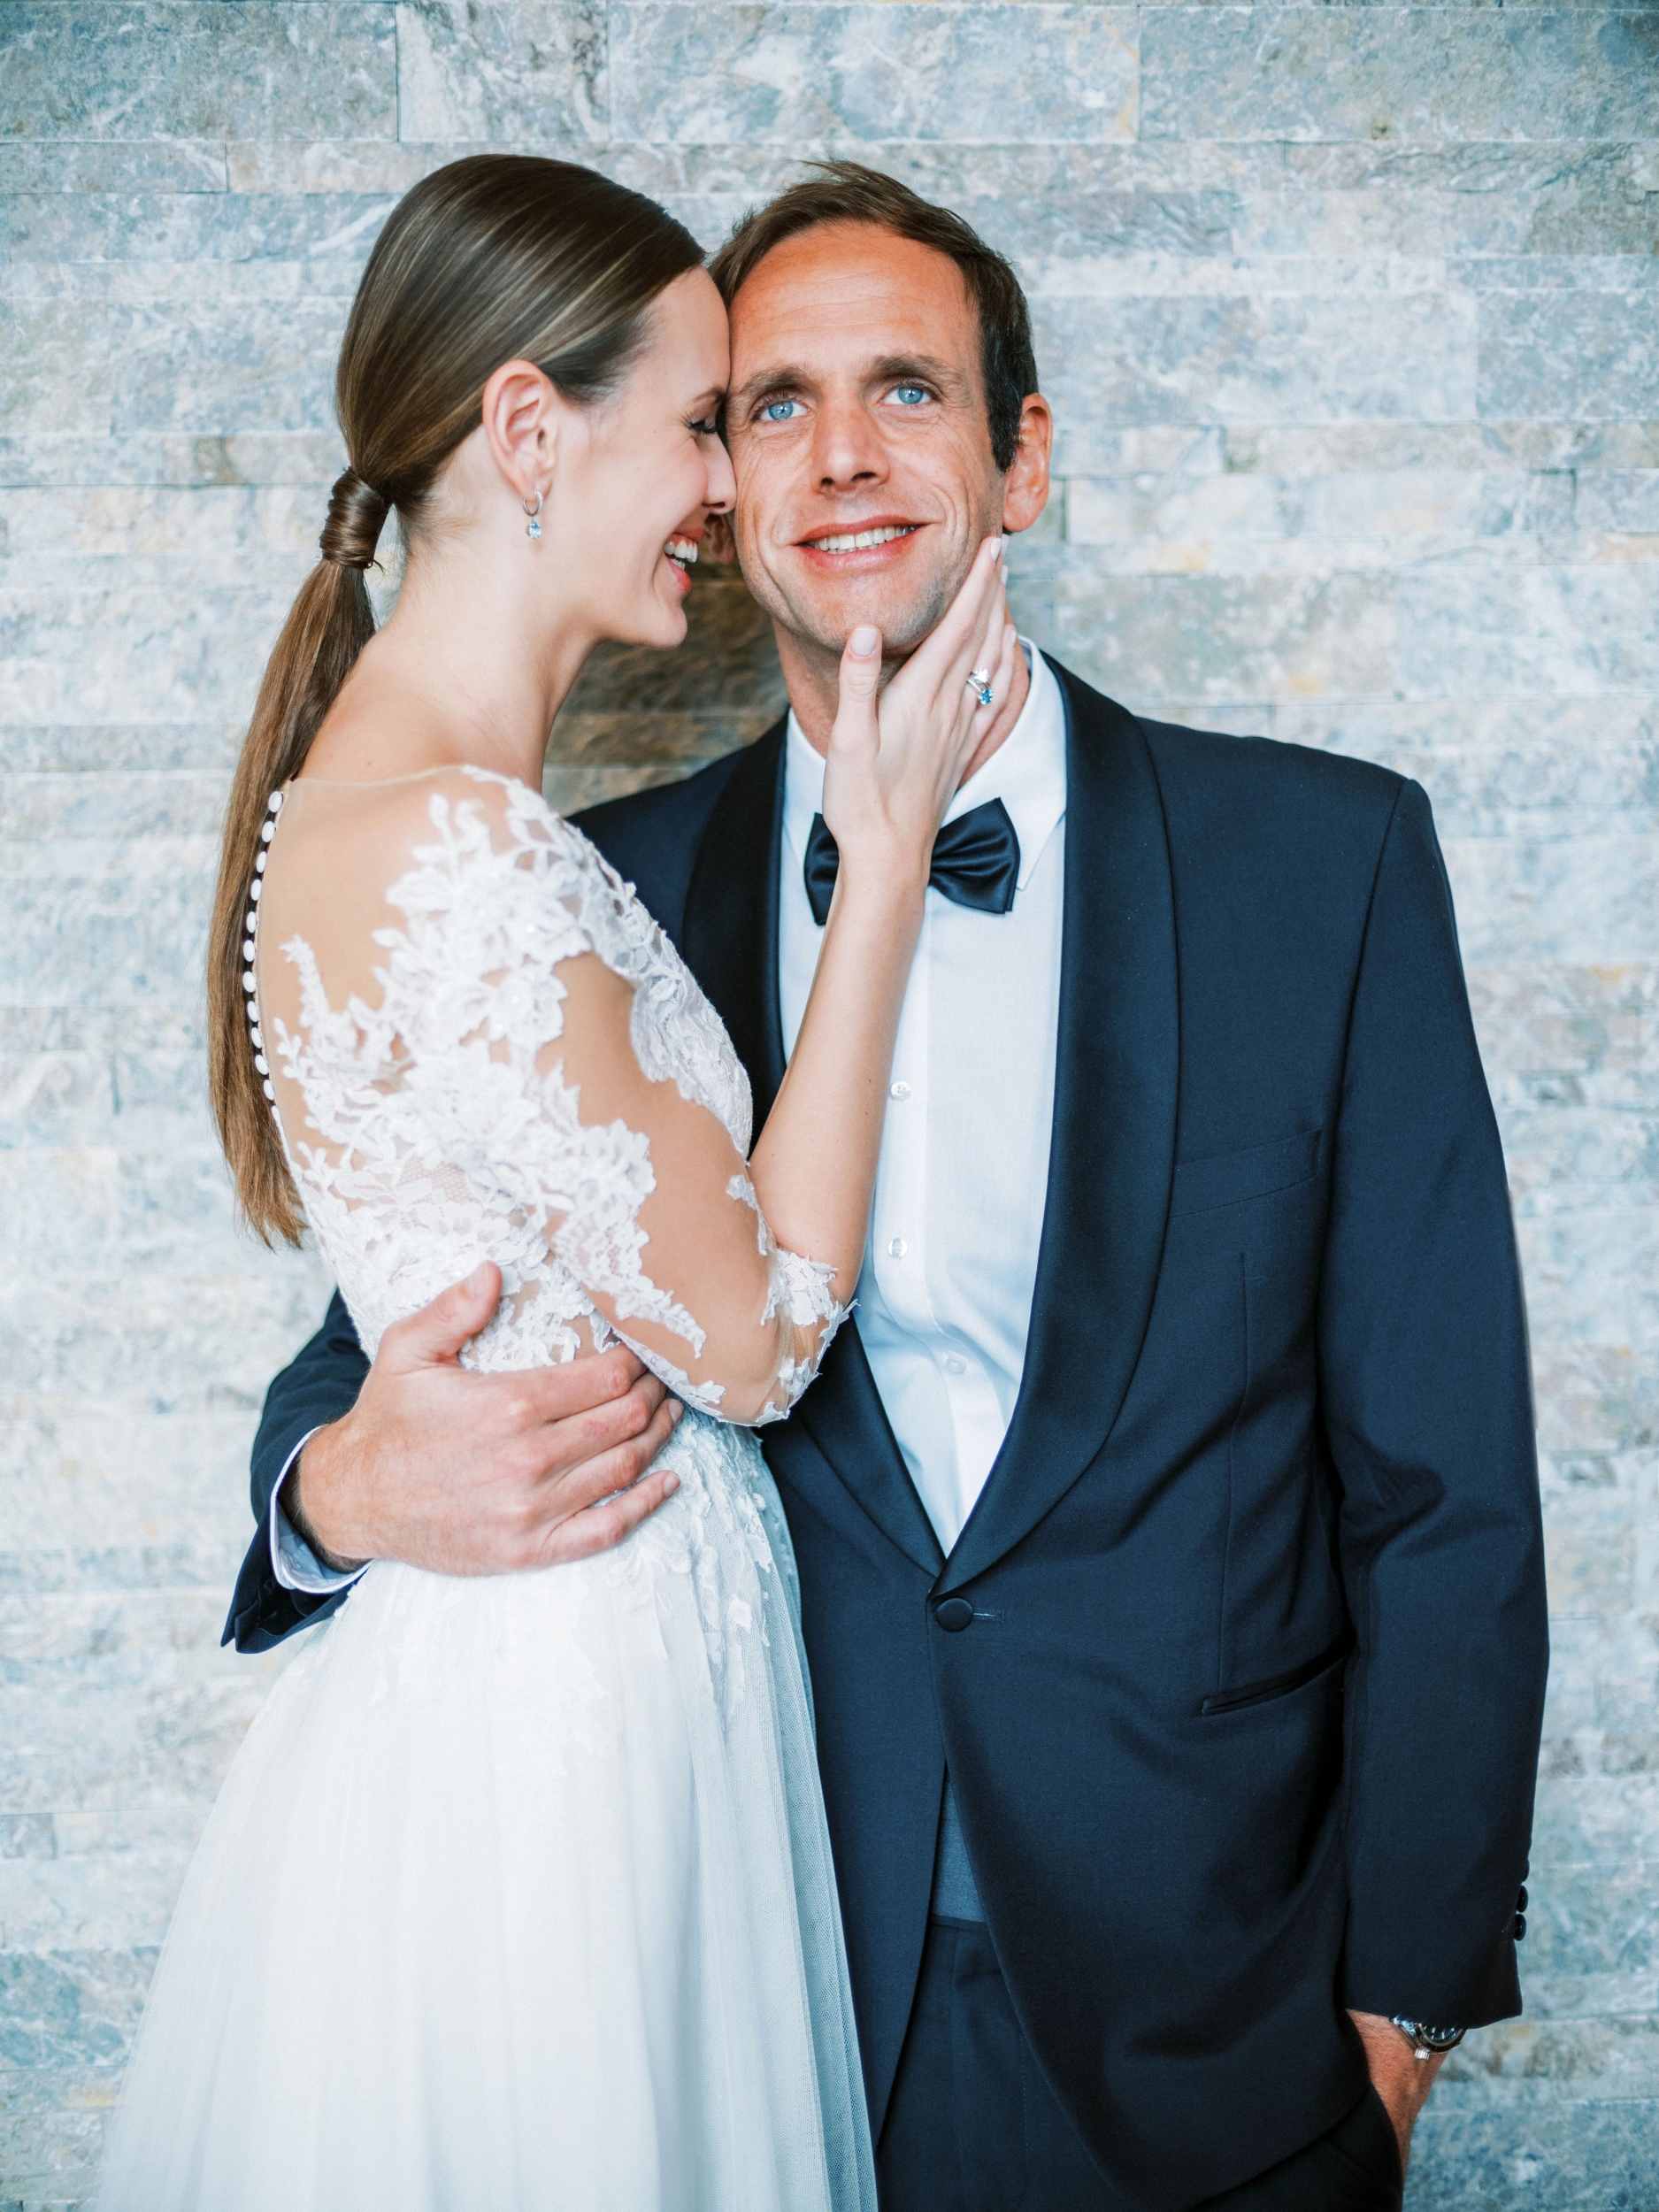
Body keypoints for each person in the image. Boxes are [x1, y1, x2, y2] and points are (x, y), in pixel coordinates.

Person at [236, 165, 1549, 2212]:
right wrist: (333, 1498)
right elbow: (385, 1330)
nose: (836, 455)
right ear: (713, 473)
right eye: (762, 405)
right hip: (747, 1970)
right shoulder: (590, 871)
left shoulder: (1326, 865)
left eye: (905, 392)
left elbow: (1445, 1487)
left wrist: (1400, 2017)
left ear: (1021, 460)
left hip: (1217, 2013)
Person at [97, 152, 1021, 2210]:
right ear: (530, 432)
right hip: (570, 1728)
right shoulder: (471, 855)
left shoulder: (360, 821)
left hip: (554, 1692)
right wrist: (880, 872)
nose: (725, 479)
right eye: (708, 417)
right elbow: (766, 1337)